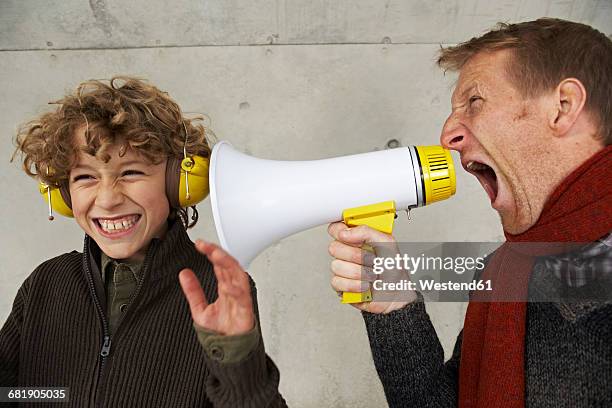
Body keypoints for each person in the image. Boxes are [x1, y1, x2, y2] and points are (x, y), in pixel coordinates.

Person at [328, 18, 611, 407]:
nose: (448, 136)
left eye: (474, 102)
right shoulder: (502, 270)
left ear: (563, 107)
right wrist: (395, 309)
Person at [1, 77, 287, 407]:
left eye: (131, 173)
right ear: (63, 194)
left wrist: (239, 364)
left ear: (179, 183)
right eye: (85, 177)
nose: (107, 199)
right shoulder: (46, 284)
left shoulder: (216, 290)